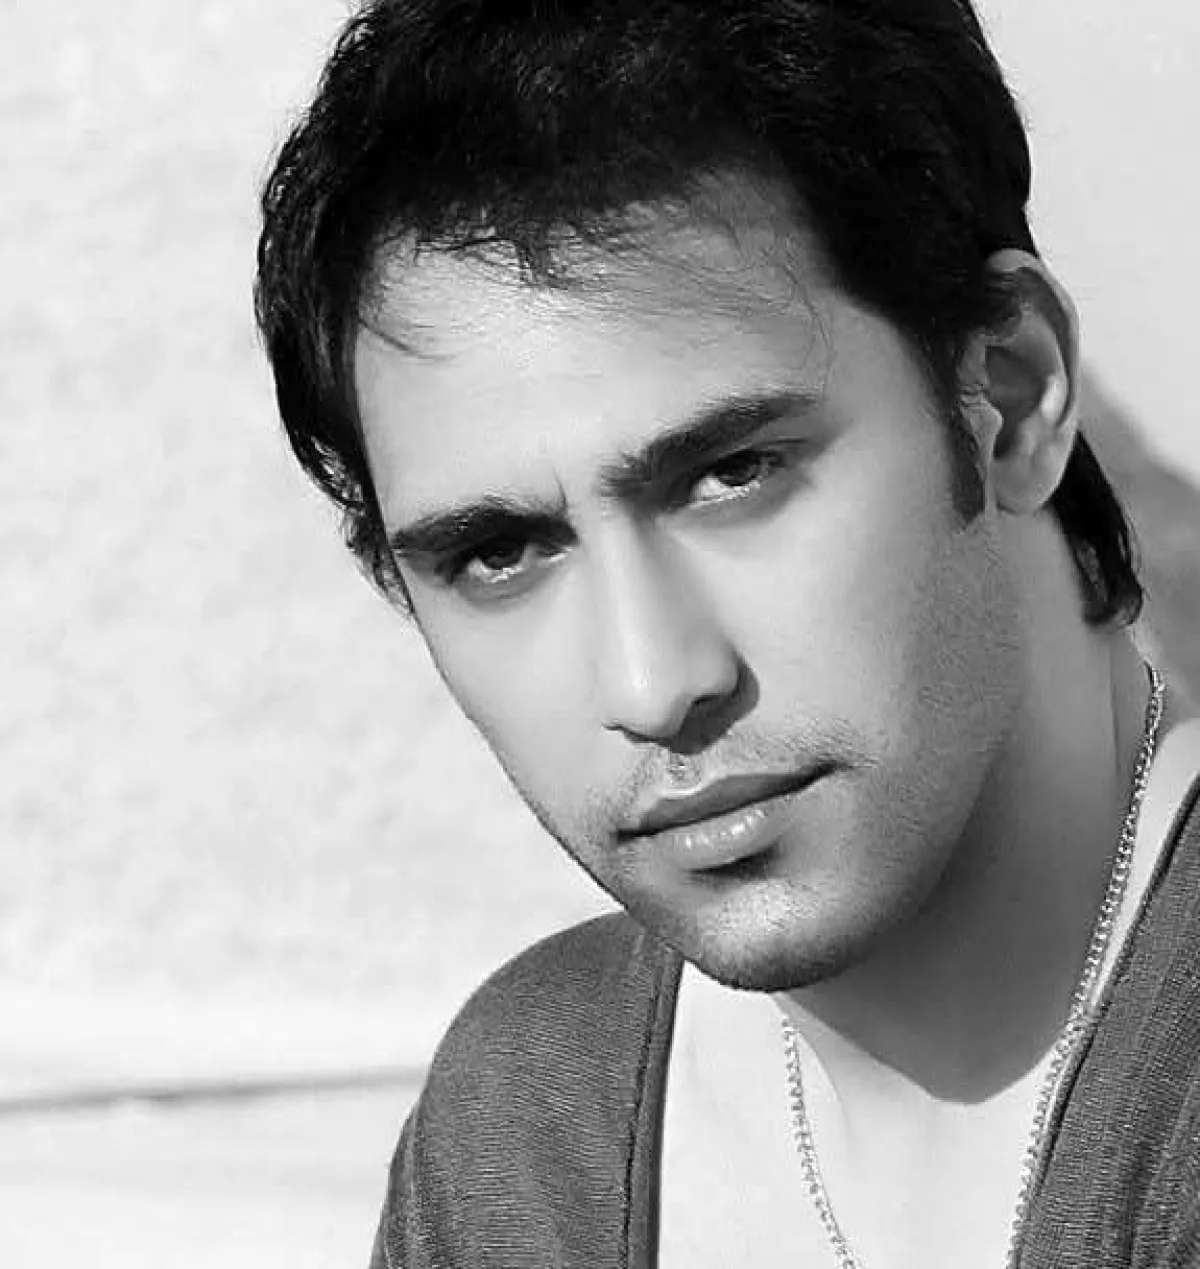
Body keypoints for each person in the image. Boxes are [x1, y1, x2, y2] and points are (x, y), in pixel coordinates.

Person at [253, 1, 1200, 1264]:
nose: (654, 682)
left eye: (732, 475)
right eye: (500, 552)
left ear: (1009, 398)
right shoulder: (525, 1126)